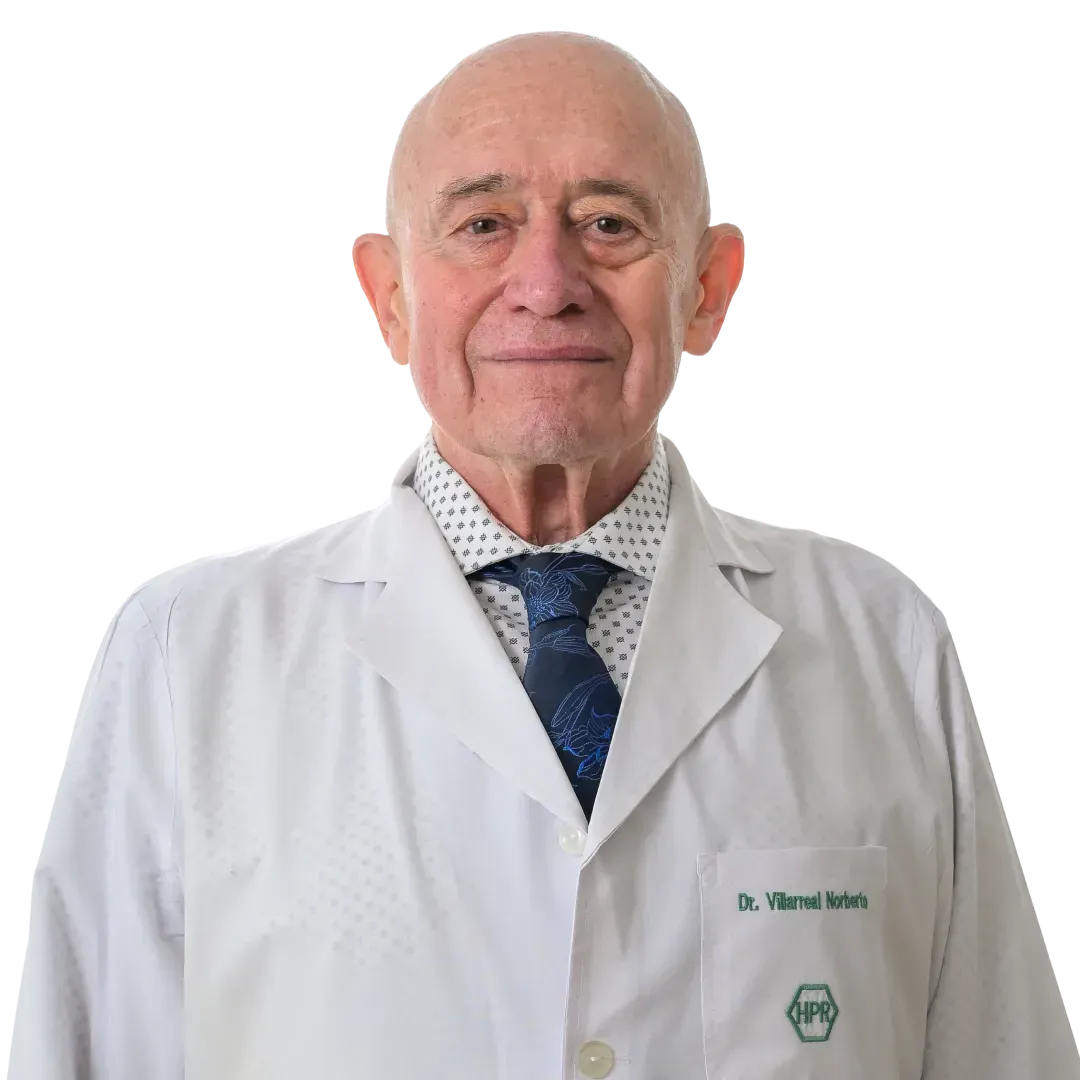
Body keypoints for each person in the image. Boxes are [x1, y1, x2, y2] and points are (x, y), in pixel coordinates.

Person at [12, 29, 1077, 1080]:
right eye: (483, 225)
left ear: (708, 288)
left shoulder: (883, 637)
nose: (546, 281)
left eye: (610, 223)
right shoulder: (187, 654)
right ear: (389, 296)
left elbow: (1005, 1056)